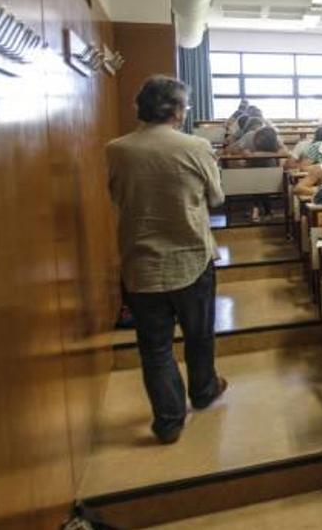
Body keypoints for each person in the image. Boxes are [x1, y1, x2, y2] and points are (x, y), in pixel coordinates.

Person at [106, 75, 227, 444]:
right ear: (176, 110)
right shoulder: (195, 146)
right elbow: (217, 197)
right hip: (191, 256)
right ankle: (203, 390)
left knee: (155, 347)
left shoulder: (116, 149)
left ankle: (170, 420)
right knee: (199, 334)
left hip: (140, 263)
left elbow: (116, 196)